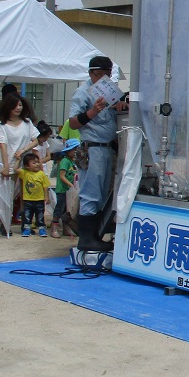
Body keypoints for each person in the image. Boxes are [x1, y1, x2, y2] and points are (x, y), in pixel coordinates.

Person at [67, 55, 127, 251]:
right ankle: (86, 238)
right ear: (91, 73)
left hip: (108, 147)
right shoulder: (82, 92)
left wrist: (121, 104)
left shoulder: (111, 91)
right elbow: (73, 123)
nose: (103, 78)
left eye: (107, 74)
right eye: (98, 74)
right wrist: (92, 111)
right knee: (91, 193)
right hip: (92, 147)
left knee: (102, 194)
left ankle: (95, 235)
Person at [0, 93, 40, 229]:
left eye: (20, 105)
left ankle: (26, 222)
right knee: (8, 194)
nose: (18, 108)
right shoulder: (2, 126)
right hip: (10, 163)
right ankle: (4, 222)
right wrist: (6, 166)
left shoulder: (27, 123)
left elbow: (35, 140)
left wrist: (24, 149)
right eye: (15, 106)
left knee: (27, 193)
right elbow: (3, 146)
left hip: (26, 164)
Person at [49, 138, 80, 239]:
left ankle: (66, 228)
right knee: (60, 208)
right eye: (74, 149)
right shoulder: (65, 161)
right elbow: (62, 176)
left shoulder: (73, 162)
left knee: (67, 210)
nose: (76, 152)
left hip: (70, 191)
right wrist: (71, 185)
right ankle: (54, 227)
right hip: (63, 190)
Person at [17, 152, 51, 237]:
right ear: (27, 166)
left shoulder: (42, 174)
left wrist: (47, 197)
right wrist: (18, 160)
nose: (37, 164)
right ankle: (27, 229)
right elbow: (15, 169)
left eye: (38, 162)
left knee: (40, 216)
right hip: (27, 200)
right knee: (27, 216)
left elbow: (45, 186)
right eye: (34, 163)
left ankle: (41, 229)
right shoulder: (24, 173)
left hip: (39, 200)